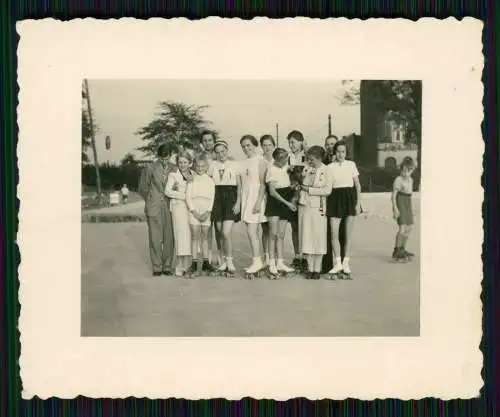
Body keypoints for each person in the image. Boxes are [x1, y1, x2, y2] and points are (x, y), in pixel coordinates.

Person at [138, 143, 176, 276]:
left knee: (169, 238)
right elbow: (143, 187)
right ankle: (157, 266)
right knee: (155, 237)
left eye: (167, 158)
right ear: (158, 156)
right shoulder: (150, 168)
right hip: (154, 206)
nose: (164, 161)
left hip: (170, 206)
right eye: (162, 158)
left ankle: (167, 266)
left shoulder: (175, 168)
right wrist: (150, 200)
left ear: (171, 156)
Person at [326, 141, 362, 278]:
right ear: (334, 152)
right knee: (334, 234)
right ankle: (337, 263)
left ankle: (346, 262)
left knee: (348, 234)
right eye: (338, 151)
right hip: (335, 198)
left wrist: (358, 204)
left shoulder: (351, 165)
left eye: (343, 152)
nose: (340, 154)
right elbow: (327, 186)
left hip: (349, 198)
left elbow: (357, 185)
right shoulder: (329, 167)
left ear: (346, 153)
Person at [300, 146, 332, 279]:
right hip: (307, 207)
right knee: (307, 237)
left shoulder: (327, 170)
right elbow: (303, 184)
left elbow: (327, 190)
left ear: (319, 158)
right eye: (308, 159)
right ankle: (310, 268)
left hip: (319, 208)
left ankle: (317, 269)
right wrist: (306, 177)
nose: (310, 161)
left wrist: (310, 190)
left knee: (319, 238)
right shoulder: (307, 169)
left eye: (312, 159)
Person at [264, 148, 297, 277]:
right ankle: (272, 263)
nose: (284, 161)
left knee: (281, 234)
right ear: (276, 159)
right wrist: (288, 203)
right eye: (282, 159)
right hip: (275, 202)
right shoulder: (271, 170)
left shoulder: (287, 168)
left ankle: (280, 262)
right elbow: (272, 191)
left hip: (285, 200)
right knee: (273, 233)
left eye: (285, 158)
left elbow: (290, 182)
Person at [210, 140, 241, 276]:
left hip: (231, 198)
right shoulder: (212, 165)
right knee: (219, 231)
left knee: (226, 232)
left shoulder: (234, 164)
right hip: (217, 198)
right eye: (217, 152)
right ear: (214, 154)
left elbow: (240, 185)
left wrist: (238, 202)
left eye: (223, 151)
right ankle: (222, 261)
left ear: (227, 151)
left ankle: (229, 260)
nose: (220, 154)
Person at [240, 134, 268, 276]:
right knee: (251, 232)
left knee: (252, 231)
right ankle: (258, 260)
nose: (246, 148)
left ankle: (258, 261)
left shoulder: (261, 161)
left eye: (248, 145)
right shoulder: (245, 162)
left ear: (255, 145)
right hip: (247, 198)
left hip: (257, 198)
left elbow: (263, 184)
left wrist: (258, 202)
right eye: (243, 146)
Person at [185, 153, 216, 277]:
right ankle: (193, 263)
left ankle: (205, 262)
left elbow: (212, 197)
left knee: (205, 237)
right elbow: (188, 197)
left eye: (202, 166)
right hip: (194, 211)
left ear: (206, 166)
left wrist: (208, 211)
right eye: (197, 166)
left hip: (206, 211)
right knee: (194, 237)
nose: (200, 168)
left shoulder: (210, 180)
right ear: (194, 166)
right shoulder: (191, 179)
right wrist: (194, 211)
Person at [164, 151, 194, 276]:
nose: (182, 165)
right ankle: (180, 266)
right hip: (178, 208)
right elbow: (168, 191)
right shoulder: (173, 175)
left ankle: (188, 264)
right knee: (181, 235)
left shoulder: (193, 174)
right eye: (180, 162)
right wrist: (185, 196)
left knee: (189, 236)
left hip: (191, 208)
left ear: (190, 163)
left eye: (185, 162)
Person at [321, 134, 347, 273]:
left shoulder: (345, 162)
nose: (330, 146)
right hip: (326, 200)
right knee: (327, 233)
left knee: (342, 233)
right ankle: (326, 265)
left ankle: (342, 264)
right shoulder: (324, 161)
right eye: (328, 144)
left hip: (340, 200)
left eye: (332, 144)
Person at [199, 130, 221, 267]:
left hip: (219, 196)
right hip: (205, 197)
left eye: (210, 140)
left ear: (214, 141)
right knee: (206, 230)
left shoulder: (220, 155)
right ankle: (208, 258)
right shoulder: (198, 157)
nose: (208, 143)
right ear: (201, 143)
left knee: (219, 229)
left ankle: (220, 257)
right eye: (205, 140)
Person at [286, 130, 307, 272]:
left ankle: (306, 257)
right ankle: (297, 256)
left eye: (293, 142)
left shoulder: (307, 156)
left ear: (301, 142)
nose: (291, 145)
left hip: (305, 195)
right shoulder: (287, 158)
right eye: (289, 142)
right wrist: (287, 169)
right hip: (291, 195)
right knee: (294, 227)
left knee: (305, 227)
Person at [391, 157, 416, 260]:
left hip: (407, 202)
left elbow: (409, 195)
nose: (405, 173)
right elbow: (393, 195)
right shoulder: (398, 179)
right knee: (402, 226)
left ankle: (403, 248)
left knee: (409, 227)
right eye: (403, 170)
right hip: (400, 201)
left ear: (412, 170)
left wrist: (412, 209)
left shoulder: (411, 180)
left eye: (408, 171)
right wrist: (395, 209)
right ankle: (397, 250)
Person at [259, 134, 276, 266]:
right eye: (264, 145)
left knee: (275, 230)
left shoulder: (279, 161)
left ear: (273, 146)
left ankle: (275, 258)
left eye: (269, 145)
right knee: (265, 229)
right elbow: (261, 183)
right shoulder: (260, 161)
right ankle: (266, 256)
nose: (267, 147)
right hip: (265, 196)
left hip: (276, 197)